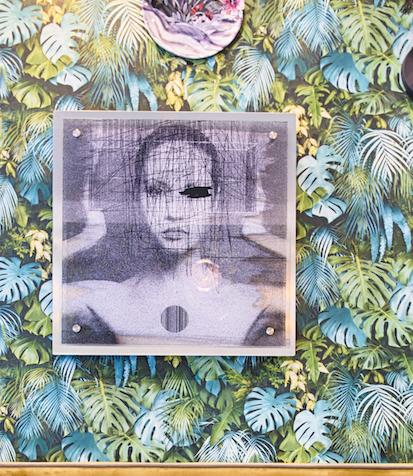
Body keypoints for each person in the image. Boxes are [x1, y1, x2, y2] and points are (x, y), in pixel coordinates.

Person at [60, 124, 288, 349]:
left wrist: (259, 234)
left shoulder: (256, 303)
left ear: (215, 199)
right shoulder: (100, 300)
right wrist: (88, 236)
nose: (173, 213)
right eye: (156, 191)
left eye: (195, 192)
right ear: (138, 196)